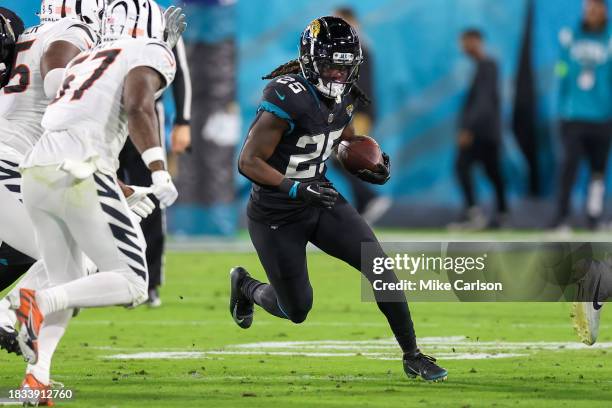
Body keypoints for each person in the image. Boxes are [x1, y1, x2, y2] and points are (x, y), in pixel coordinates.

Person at [229, 16, 447, 382]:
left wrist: (367, 162)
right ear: (311, 60)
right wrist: (296, 188)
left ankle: (412, 355)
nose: (337, 76)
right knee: (296, 309)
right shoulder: (286, 96)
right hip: (276, 213)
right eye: (331, 66)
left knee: (380, 269)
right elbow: (248, 162)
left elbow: (342, 140)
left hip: (320, 198)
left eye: (345, 69)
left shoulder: (346, 93)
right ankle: (246, 286)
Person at [8, 0, 184, 403]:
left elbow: (73, 118)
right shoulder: (149, 51)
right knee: (133, 282)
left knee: (66, 277)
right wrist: (158, 170)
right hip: (79, 173)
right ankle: (30, 303)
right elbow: (139, 106)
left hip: (38, 171)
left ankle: (38, 376)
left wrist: (120, 188)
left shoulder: (86, 56)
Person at [118, 34, 192, 307]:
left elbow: (181, 70)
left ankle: (148, 282)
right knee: (91, 196)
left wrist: (183, 121)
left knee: (150, 198)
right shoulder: (96, 13)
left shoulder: (158, 19)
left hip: (147, 118)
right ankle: (84, 279)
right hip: (102, 113)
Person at [552, 0, 612, 230]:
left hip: (603, 116)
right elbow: (561, 69)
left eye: (597, 9)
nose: (592, 13)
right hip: (574, 115)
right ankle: (561, 218)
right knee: (569, 167)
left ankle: (593, 218)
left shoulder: (610, 37)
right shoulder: (570, 36)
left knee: (598, 172)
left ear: (605, 11)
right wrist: (568, 69)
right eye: (588, 9)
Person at [331, 6, 391, 224]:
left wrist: (350, 113)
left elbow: (360, 85)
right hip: (356, 111)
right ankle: (365, 201)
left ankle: (370, 198)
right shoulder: (356, 48)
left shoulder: (359, 48)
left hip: (358, 113)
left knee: (344, 155)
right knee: (340, 157)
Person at [450, 28, 507, 230]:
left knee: (462, 166)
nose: (463, 47)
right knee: (493, 171)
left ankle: (474, 213)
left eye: (465, 42)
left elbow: (482, 103)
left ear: (476, 41)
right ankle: (501, 212)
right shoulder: (484, 66)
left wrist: (468, 129)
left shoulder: (487, 66)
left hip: (482, 132)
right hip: (488, 131)